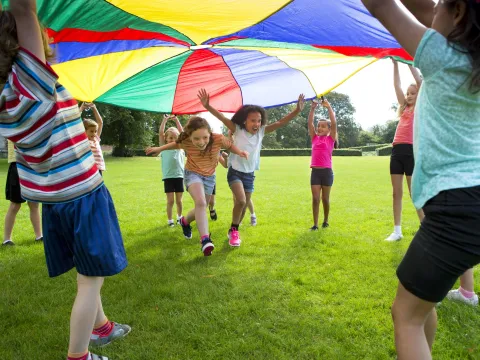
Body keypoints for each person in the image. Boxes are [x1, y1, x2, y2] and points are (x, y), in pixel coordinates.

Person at [0, 2, 130, 359]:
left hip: (53, 200)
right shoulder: (31, 83)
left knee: (87, 271)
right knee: (91, 281)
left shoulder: (5, 100)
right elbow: (24, 8)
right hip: (82, 196)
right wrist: (23, 15)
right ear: (22, 49)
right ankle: (79, 355)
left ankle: (102, 328)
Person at [361, 0, 480, 359]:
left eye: (440, 5)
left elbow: (382, 5)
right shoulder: (472, 63)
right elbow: (429, 10)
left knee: (406, 315)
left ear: (457, 13)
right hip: (468, 205)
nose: (431, 11)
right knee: (421, 303)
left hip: (455, 207)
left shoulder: (443, 56)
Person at [198, 88, 305, 246]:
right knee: (240, 201)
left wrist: (297, 110)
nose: (256, 123)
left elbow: (280, 123)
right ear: (245, 121)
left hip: (249, 175)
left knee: (243, 205)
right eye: (253, 120)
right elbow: (221, 118)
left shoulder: (261, 132)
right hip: (235, 172)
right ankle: (234, 230)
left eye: (259, 120)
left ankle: (233, 230)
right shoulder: (237, 130)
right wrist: (207, 106)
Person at [146, 116, 248, 256]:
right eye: (196, 139)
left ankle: (185, 221)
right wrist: (160, 149)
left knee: (202, 206)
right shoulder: (186, 141)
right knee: (200, 202)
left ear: (210, 133)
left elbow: (230, 145)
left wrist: (240, 152)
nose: (201, 142)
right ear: (190, 137)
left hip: (209, 177)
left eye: (205, 137)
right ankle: (205, 240)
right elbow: (175, 144)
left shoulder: (218, 138)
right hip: (192, 174)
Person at [386, 60, 425, 241]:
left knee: (413, 192)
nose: (409, 96)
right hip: (397, 151)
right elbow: (396, 84)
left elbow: (420, 82)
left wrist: (408, 61)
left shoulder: (420, 107)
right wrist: (394, 63)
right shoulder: (403, 108)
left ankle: (425, 228)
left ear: (419, 95)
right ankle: (397, 231)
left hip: (411, 152)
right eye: (408, 94)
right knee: (396, 193)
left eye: (413, 93)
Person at [3, 140, 43, 245]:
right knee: (15, 205)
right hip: (17, 165)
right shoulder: (13, 126)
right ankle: (7, 239)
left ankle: (39, 236)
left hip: (32, 166)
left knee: (34, 204)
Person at [308, 98, 337, 230]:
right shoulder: (314, 138)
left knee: (325, 199)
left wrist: (328, 107)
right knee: (315, 199)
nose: (319, 128)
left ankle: (325, 221)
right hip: (315, 172)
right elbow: (310, 124)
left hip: (326, 172)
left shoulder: (330, 139)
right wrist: (312, 108)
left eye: (323, 126)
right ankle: (315, 224)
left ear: (329, 129)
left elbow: (334, 123)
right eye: (319, 126)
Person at [158, 114, 184, 227]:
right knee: (170, 201)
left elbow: (183, 133)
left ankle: (179, 217)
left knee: (179, 201)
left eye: (175, 138)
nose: (173, 140)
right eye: (170, 138)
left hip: (179, 176)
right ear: (166, 139)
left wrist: (176, 119)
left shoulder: (181, 147)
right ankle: (170, 220)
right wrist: (165, 119)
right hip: (168, 177)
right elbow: (160, 133)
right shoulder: (163, 147)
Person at [81, 103, 106, 176]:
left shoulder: (96, 139)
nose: (94, 133)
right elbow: (74, 122)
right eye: (91, 131)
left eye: (95, 131)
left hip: (98, 169)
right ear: (84, 130)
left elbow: (100, 123)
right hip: (88, 169)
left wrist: (94, 108)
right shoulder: (84, 140)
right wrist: (81, 109)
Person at [208, 151, 228, 221]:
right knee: (201, 201)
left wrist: (225, 158)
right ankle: (201, 216)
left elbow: (225, 165)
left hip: (211, 178)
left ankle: (211, 208)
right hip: (198, 178)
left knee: (212, 202)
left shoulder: (215, 150)